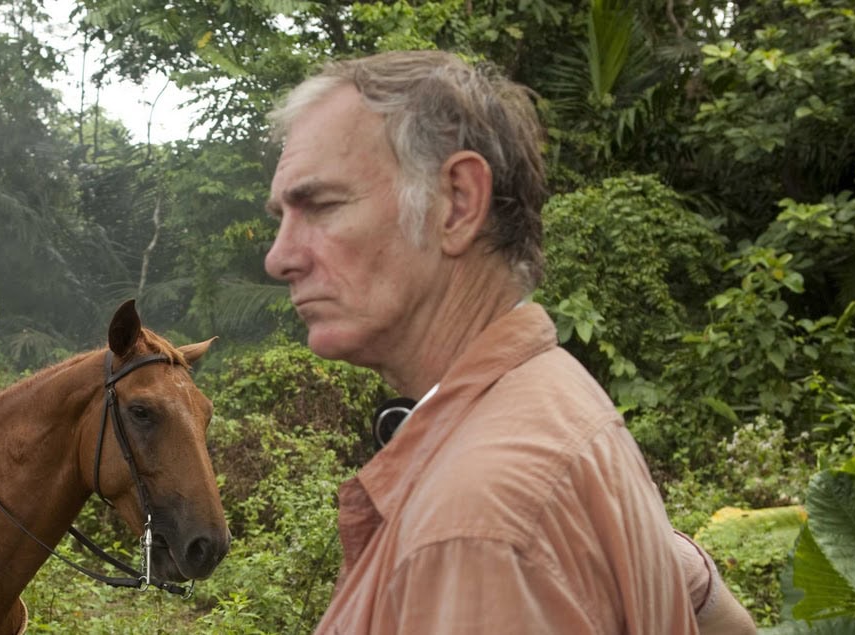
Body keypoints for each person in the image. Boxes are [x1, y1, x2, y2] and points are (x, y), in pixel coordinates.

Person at [263, 51, 756, 633]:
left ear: (457, 204)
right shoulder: (557, 392)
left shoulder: (475, 530)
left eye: (320, 206)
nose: (279, 257)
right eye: (280, 217)